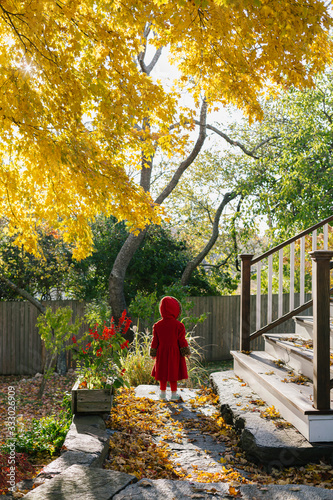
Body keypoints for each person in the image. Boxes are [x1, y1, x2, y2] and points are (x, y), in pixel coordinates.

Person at [150, 296, 191, 401]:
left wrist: (153, 353)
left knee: (162, 373)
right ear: (176, 310)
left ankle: (162, 394)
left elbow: (155, 341)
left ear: (161, 310)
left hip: (161, 352)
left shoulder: (157, 325)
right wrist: (186, 352)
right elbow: (182, 340)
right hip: (175, 353)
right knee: (173, 373)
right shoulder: (179, 326)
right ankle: (173, 395)